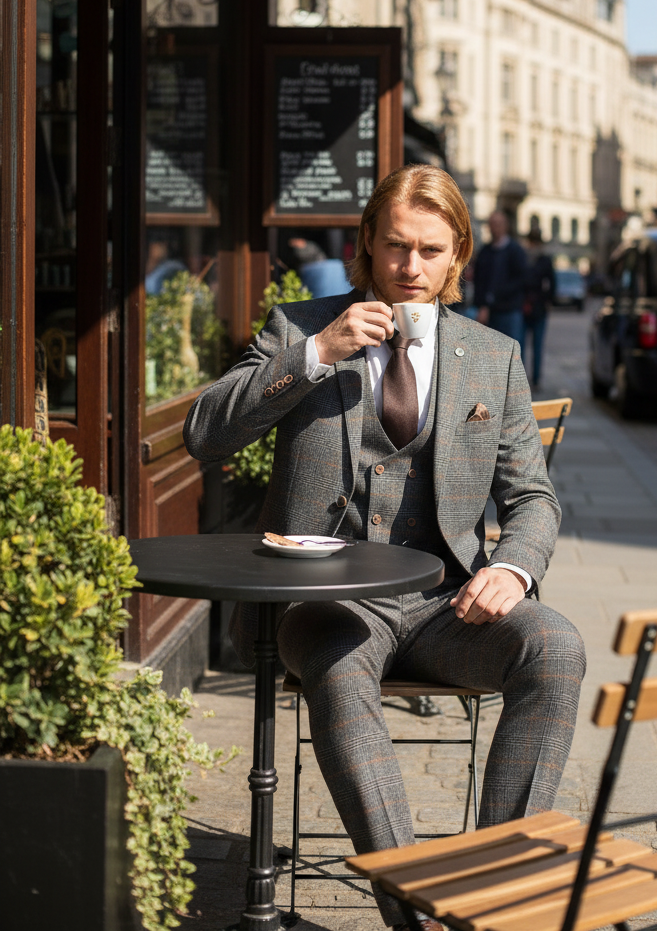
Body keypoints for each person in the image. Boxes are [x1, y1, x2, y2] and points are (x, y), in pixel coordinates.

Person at [184, 165, 585, 931]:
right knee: (338, 669)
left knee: (556, 648)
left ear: (457, 255)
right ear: (365, 242)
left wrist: (511, 567)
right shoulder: (299, 325)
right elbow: (206, 432)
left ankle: (495, 899)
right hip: (327, 601)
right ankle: (419, 917)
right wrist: (314, 355)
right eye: (396, 246)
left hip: (445, 606)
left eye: (430, 250)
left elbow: (533, 499)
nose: (410, 267)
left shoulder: (493, 356)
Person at [473, 210, 528, 346]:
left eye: (498, 224)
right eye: (492, 224)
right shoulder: (485, 252)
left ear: (505, 226)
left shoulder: (515, 251)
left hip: (510, 310)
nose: (495, 228)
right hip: (489, 313)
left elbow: (521, 279)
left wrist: (496, 295)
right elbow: (479, 280)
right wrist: (482, 304)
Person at [523, 225, 554, 389]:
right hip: (523, 306)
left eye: (535, 242)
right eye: (532, 242)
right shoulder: (522, 257)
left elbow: (551, 283)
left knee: (537, 345)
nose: (533, 245)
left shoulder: (544, 259)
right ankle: (519, 379)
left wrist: (547, 301)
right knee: (519, 344)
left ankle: (535, 380)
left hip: (539, 307)